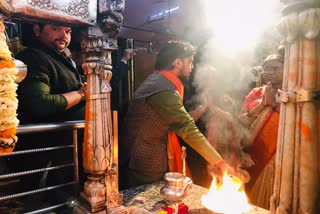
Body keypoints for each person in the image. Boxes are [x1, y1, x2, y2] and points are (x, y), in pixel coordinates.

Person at [119, 40, 231, 189]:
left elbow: (179, 119)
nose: (192, 67)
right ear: (177, 62)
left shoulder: (157, 80)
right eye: (189, 62)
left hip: (140, 156)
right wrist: (219, 162)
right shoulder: (164, 89)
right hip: (145, 160)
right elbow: (186, 127)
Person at [239, 52, 284, 209]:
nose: (269, 72)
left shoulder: (293, 96)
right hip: (251, 155)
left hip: (278, 160)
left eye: (275, 68)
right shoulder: (256, 93)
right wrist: (263, 105)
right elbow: (240, 122)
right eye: (266, 68)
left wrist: (276, 106)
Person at [17, 23, 86, 124]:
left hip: (72, 136)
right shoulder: (33, 57)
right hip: (47, 137)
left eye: (68, 31)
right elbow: (39, 105)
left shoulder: (60, 59)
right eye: (55, 28)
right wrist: (82, 93)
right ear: (37, 30)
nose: (64, 35)